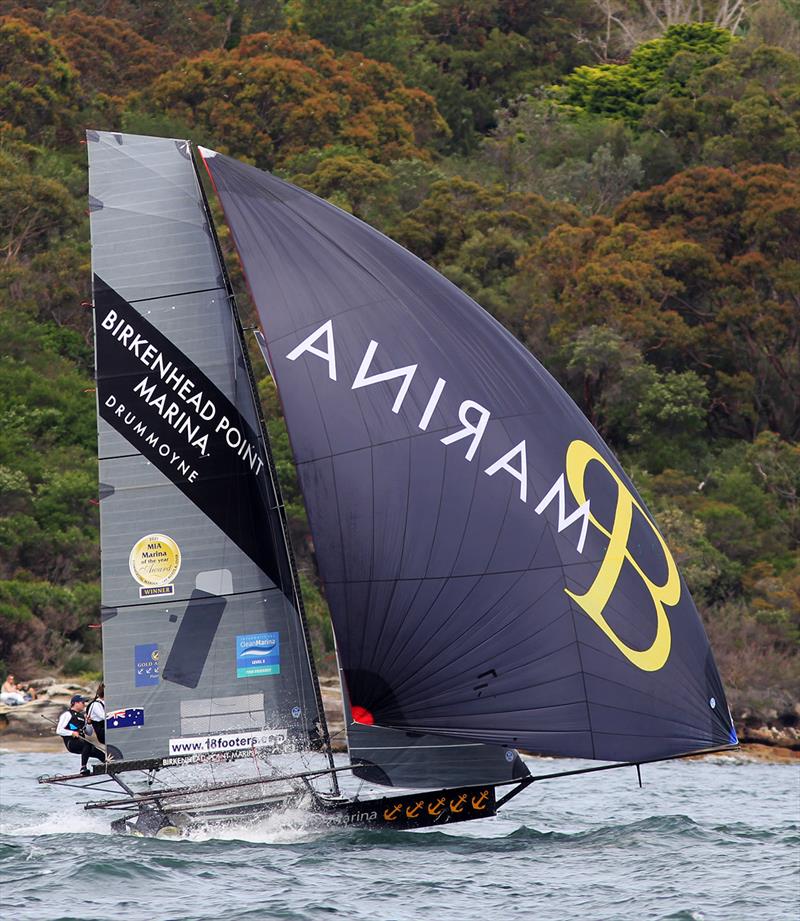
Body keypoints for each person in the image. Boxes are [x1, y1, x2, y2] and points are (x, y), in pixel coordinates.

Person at [56, 694, 104, 776]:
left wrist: (88, 723)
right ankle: (83, 768)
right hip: (71, 743)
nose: (84, 704)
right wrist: (72, 733)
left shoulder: (82, 716)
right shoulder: (67, 714)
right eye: (83, 702)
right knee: (88, 745)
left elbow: (89, 732)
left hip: (82, 743)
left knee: (100, 753)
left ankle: (108, 765)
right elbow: (59, 730)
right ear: (75, 703)